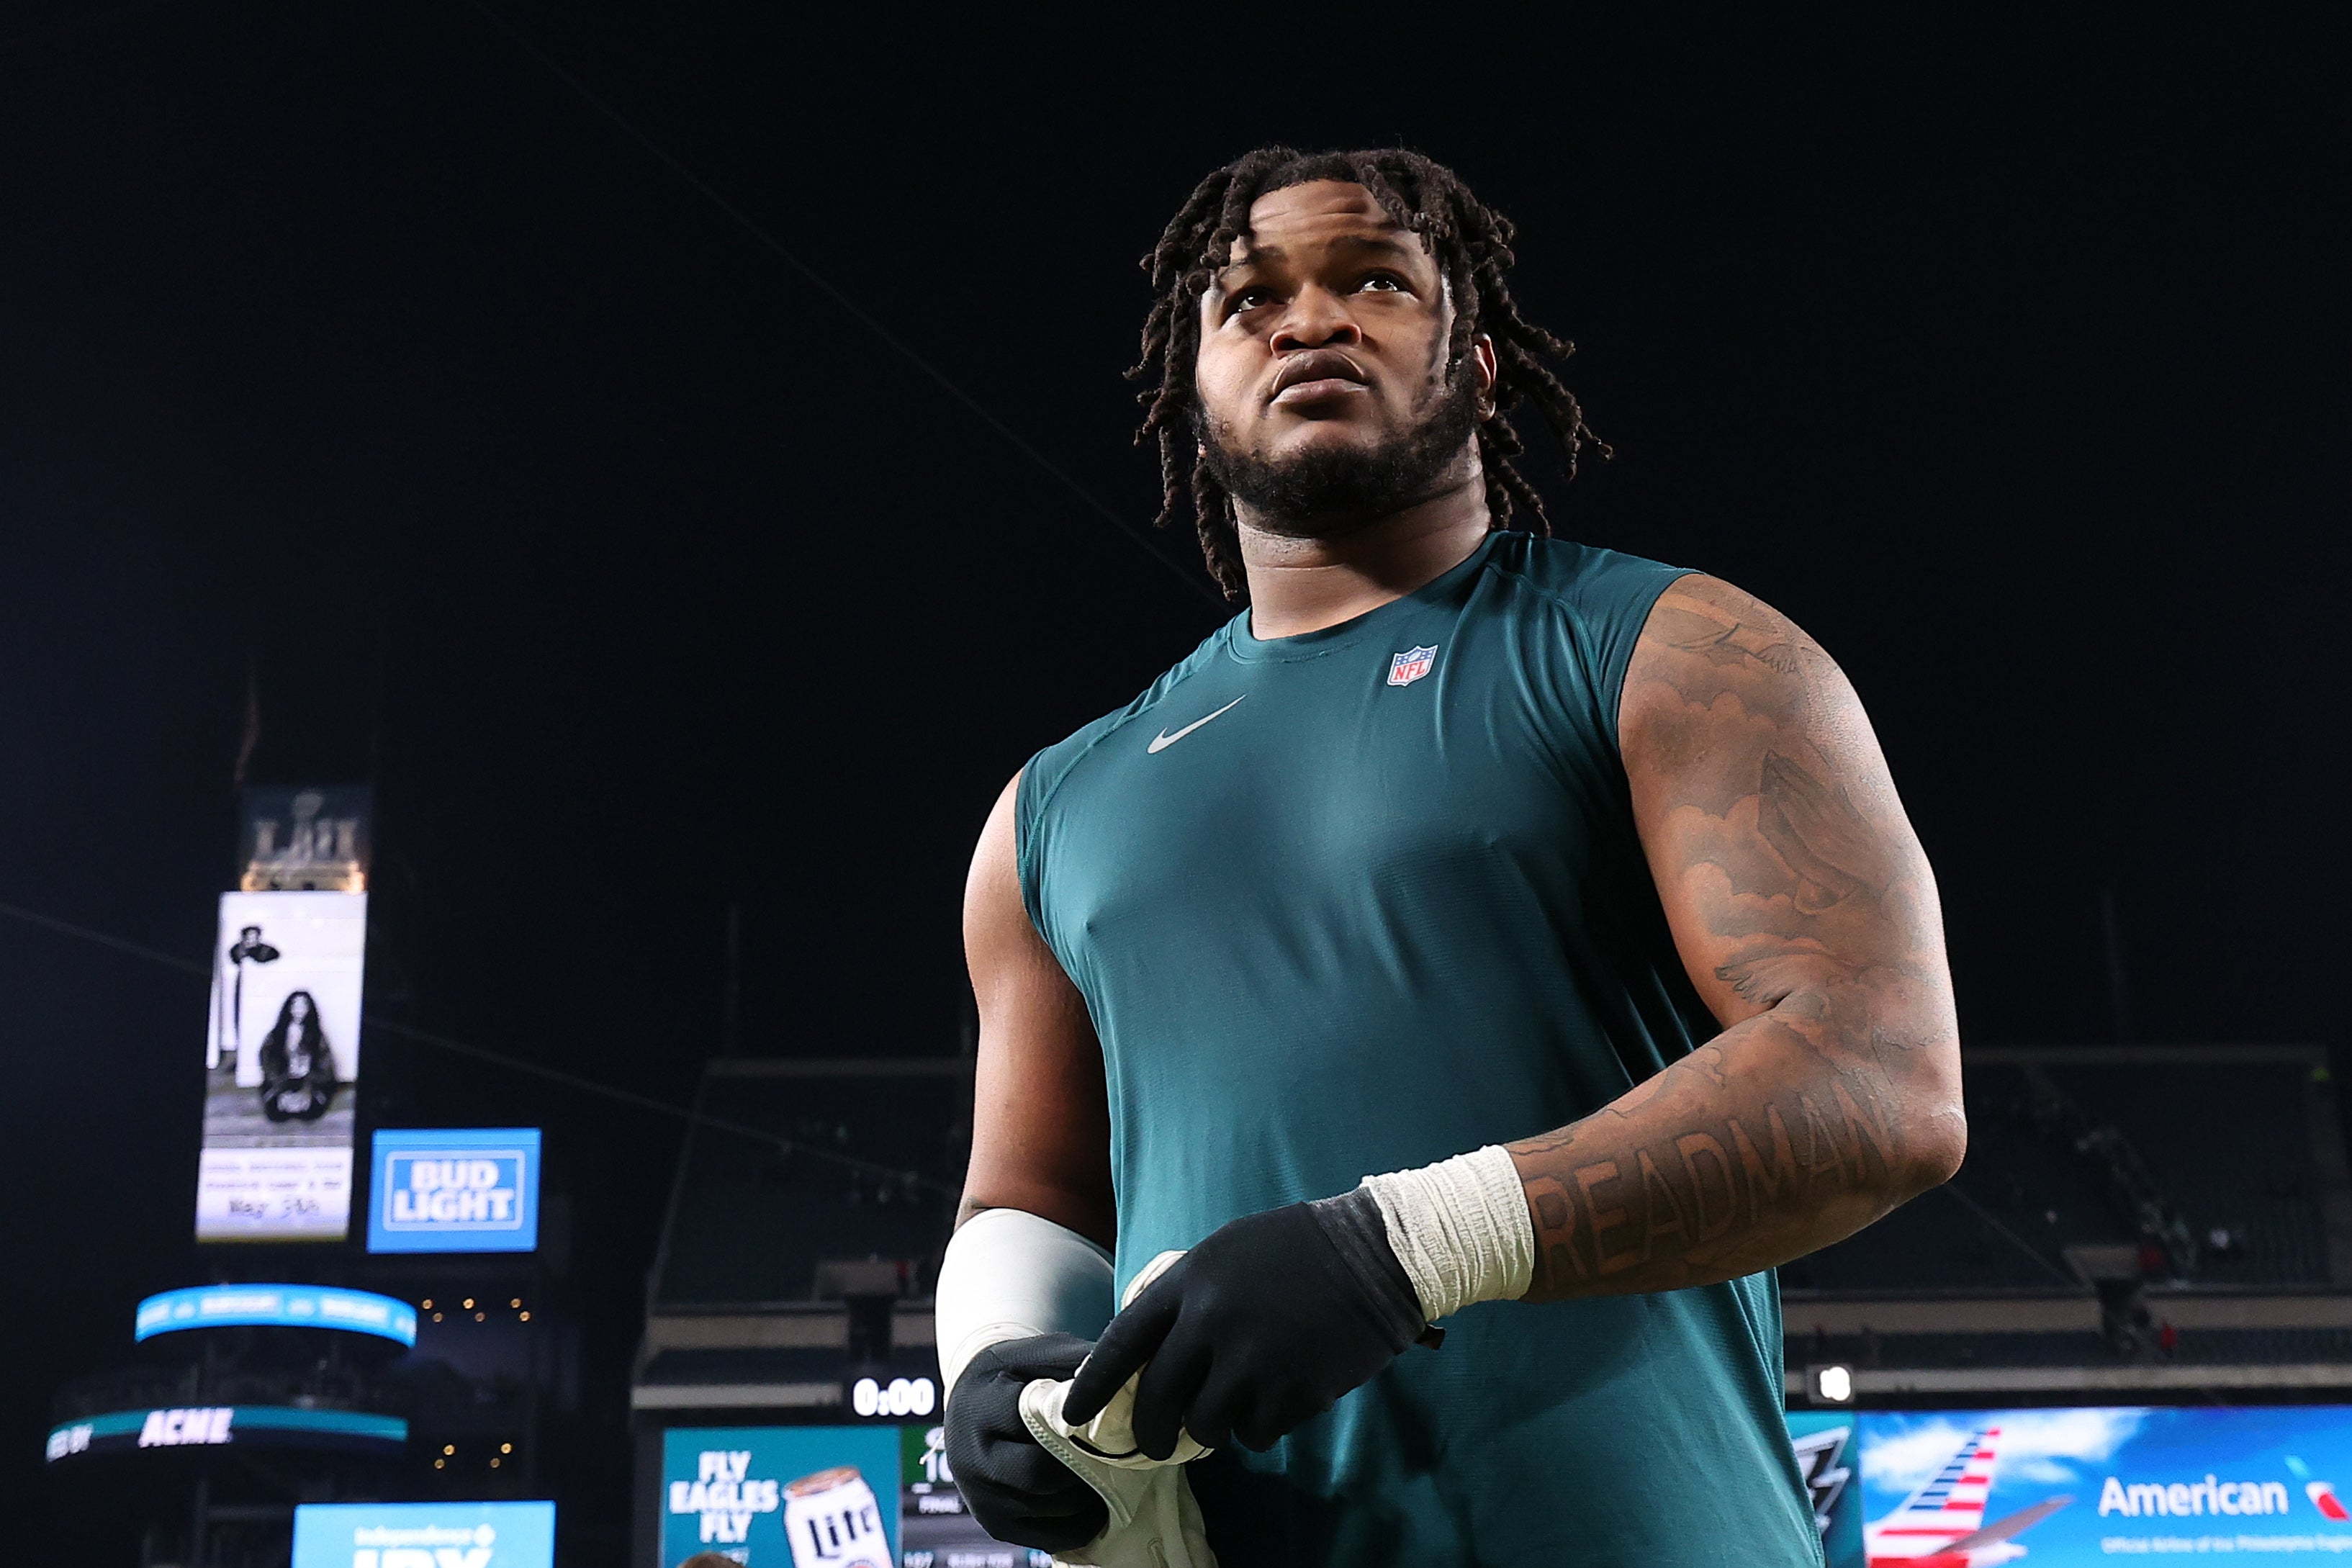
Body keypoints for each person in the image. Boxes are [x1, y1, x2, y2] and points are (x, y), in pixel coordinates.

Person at [935, 146, 1964, 1567]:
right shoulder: (1052, 806)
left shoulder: (1671, 651)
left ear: (1478, 365)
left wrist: (1400, 1248)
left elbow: (1879, 1080)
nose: (1308, 320)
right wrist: (992, 1356)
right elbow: (1031, 1195)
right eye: (1249, 302)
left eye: (1372, 279)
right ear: (1194, 388)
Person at [256, 989, 337, 1122]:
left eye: (303, 1006)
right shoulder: (277, 1034)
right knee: (275, 1110)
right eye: (295, 1006)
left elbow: (326, 1066)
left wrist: (308, 1073)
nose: (299, 1010)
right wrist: (282, 1078)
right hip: (281, 1082)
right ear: (289, 1007)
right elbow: (267, 1061)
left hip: (309, 1082)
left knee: (312, 1108)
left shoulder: (317, 1036)